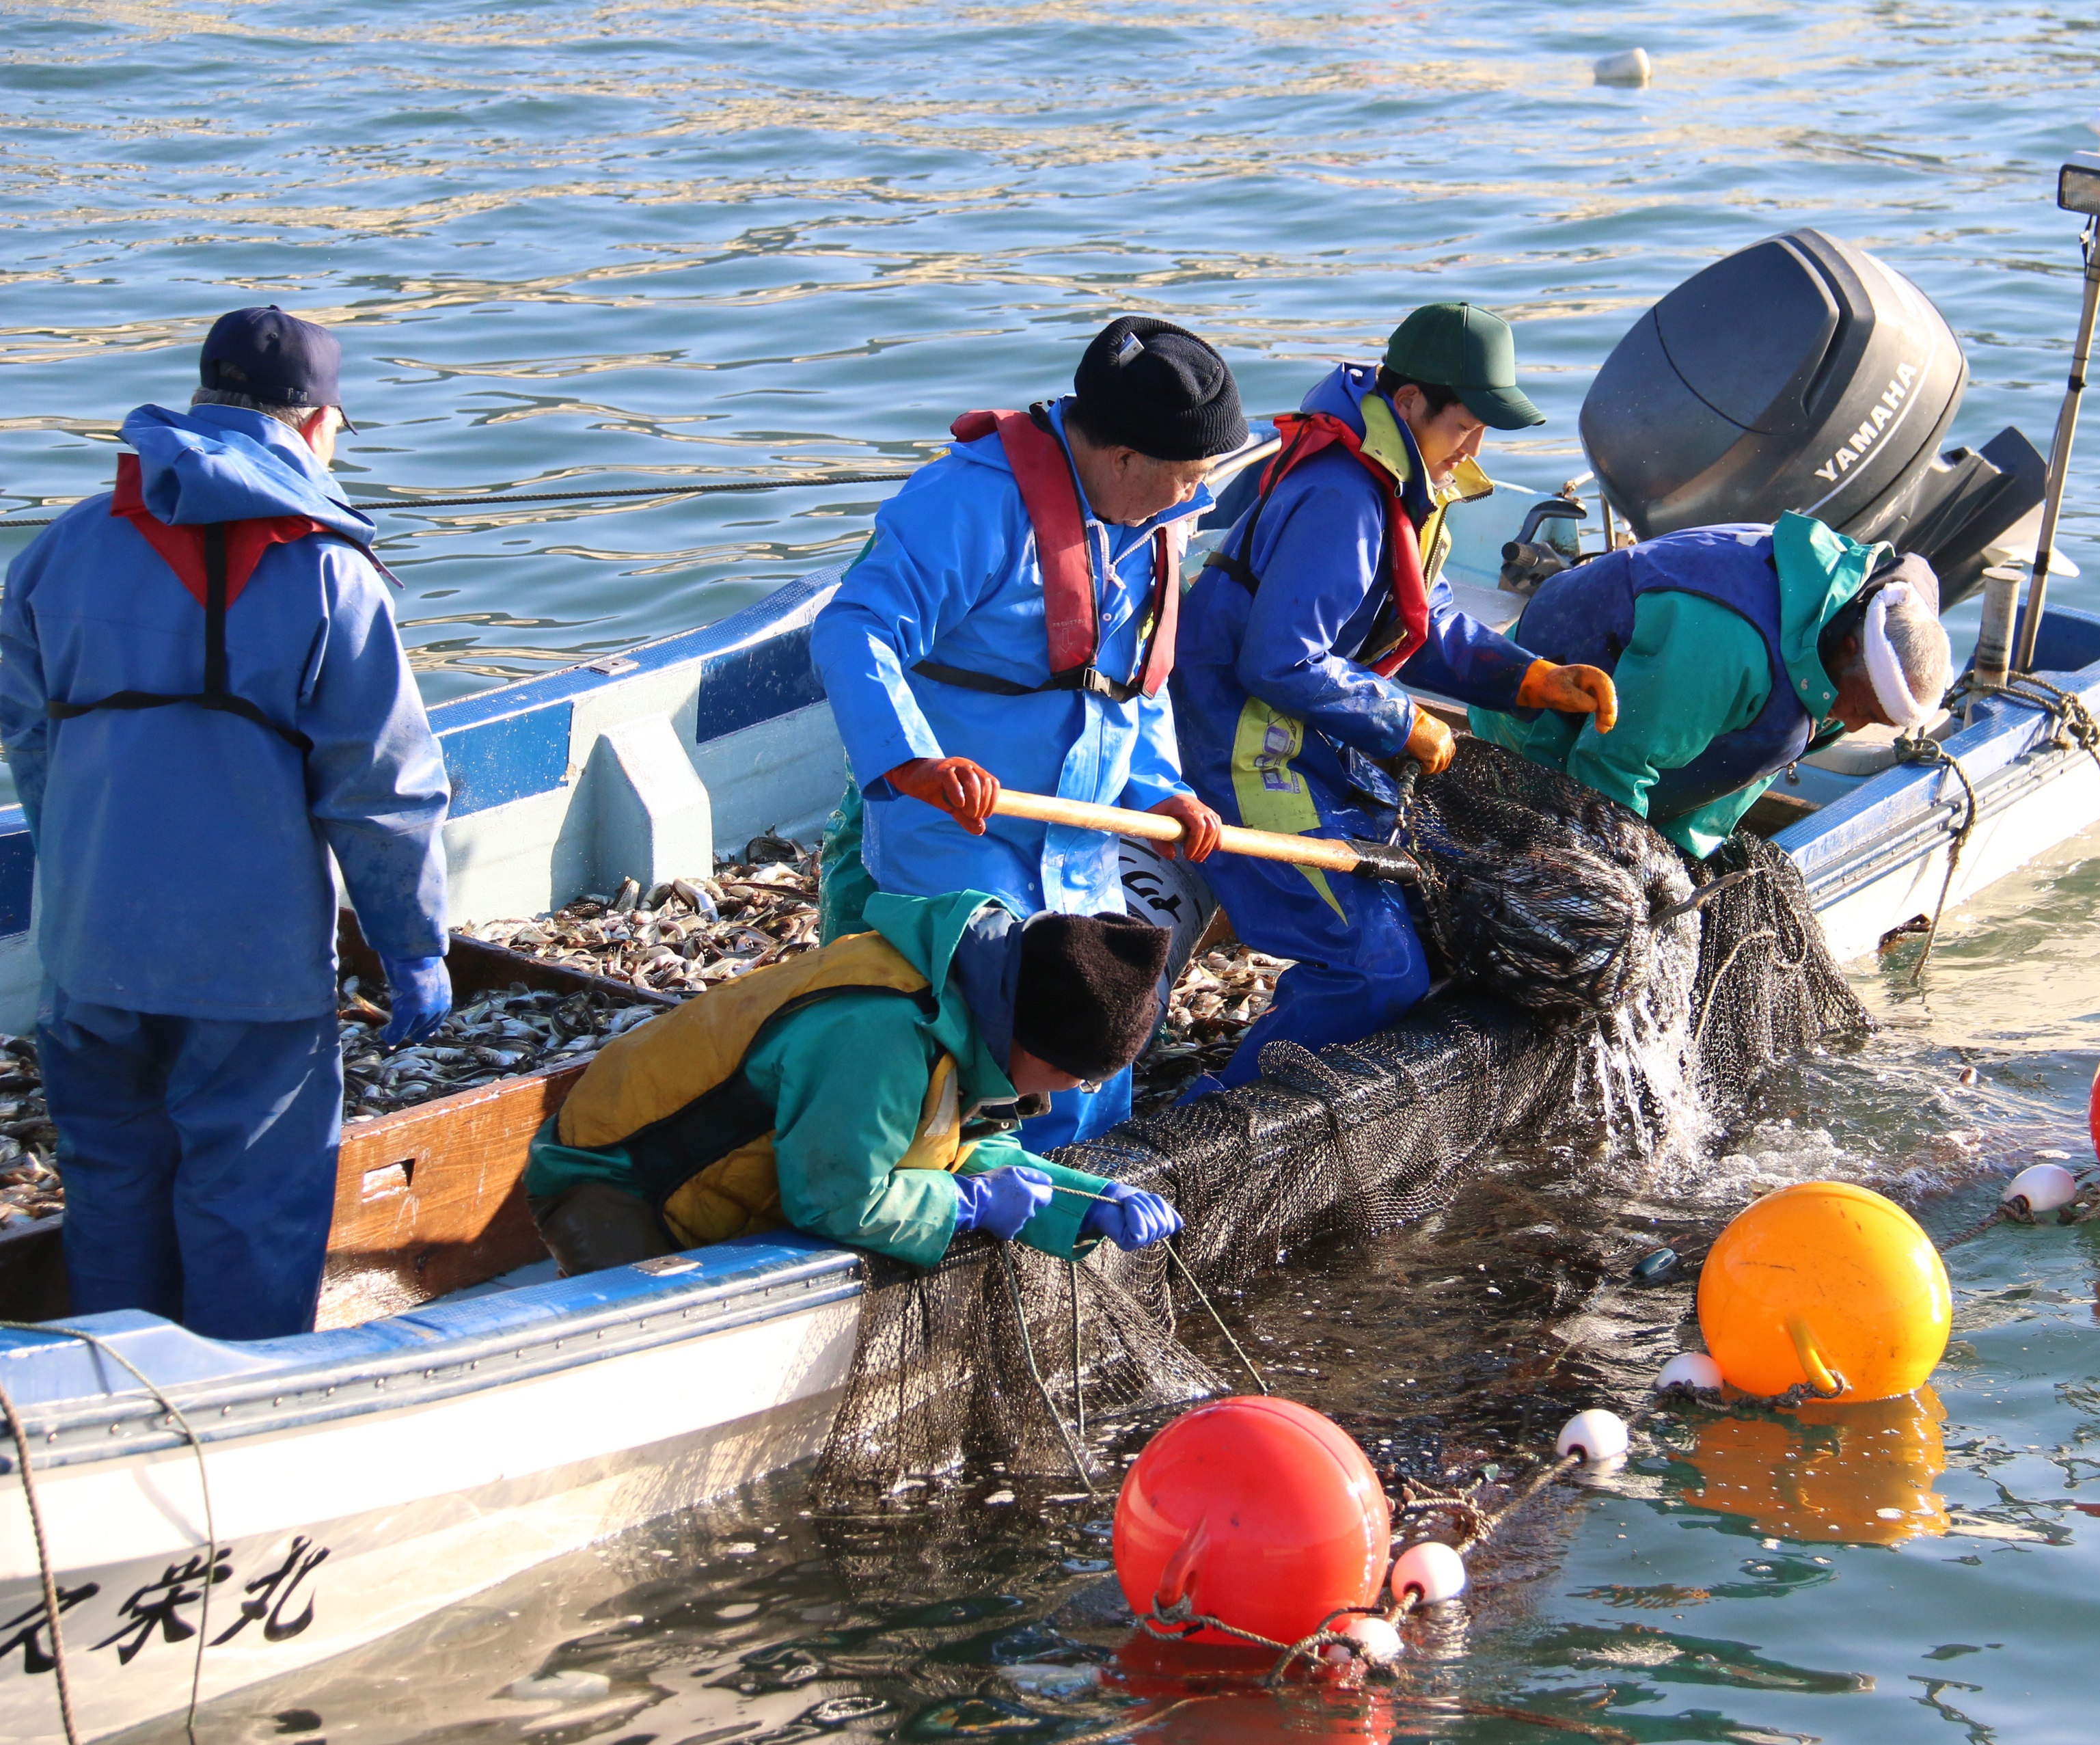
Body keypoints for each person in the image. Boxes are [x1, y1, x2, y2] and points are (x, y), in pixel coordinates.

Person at [0, 307, 452, 1340]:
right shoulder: (328, 570)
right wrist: (412, 949)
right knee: (249, 1202)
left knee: (113, 1186)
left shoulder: (62, 547)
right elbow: (381, 791)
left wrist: (84, 866)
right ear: (317, 423)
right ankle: (240, 1416)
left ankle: (116, 1401)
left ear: (199, 402)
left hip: (88, 951)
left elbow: (31, 742)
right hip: (247, 971)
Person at [810, 317, 1248, 1148]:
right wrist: (913, 760)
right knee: (990, 1035)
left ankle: (1073, 1209)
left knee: (1101, 1035)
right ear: (1123, 458)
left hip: (1081, 845)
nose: (1195, 499)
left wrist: (1166, 790)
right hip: (962, 833)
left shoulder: (1151, 524)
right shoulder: (966, 505)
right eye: (1187, 480)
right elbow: (853, 629)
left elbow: (1136, 683)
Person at [1169, 303, 1616, 1087]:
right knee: (1375, 970)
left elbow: (1418, 619)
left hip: (1308, 731)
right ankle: (1218, 1116)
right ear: (1409, 406)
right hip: (1242, 740)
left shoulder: (1401, 474)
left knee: (1411, 925)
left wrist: (1529, 679)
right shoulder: (1342, 497)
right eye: (1465, 428)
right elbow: (1281, 660)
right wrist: (1402, 721)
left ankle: (1287, 1054)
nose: (1473, 449)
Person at [525, 889, 1183, 1273]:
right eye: (1074, 1077)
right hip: (615, 1181)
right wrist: (968, 1204)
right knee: (657, 1364)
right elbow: (839, 1201)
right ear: (1034, 1037)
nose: (1064, 1093)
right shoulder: (883, 1033)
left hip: (726, 1190)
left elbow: (965, 1150)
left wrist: (1087, 1200)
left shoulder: (969, 1008)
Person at [1469, 516, 1954, 858]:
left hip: (1665, 720)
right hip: (1534, 726)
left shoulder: (1841, 639)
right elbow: (1612, 761)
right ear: (1848, 646)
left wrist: (1680, 857)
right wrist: (1624, 869)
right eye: (1864, 709)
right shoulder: (1723, 642)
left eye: (1876, 723)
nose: (1853, 725)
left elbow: (1770, 747)